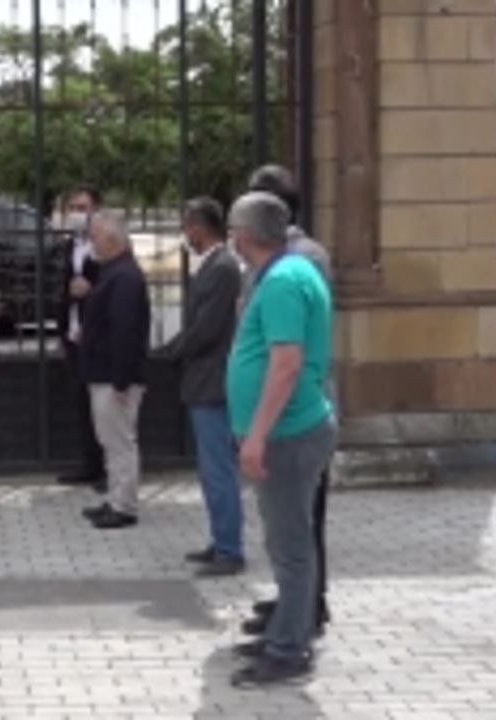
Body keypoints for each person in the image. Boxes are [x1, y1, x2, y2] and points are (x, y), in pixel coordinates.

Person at [224, 192, 336, 687]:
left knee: (291, 547)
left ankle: (289, 650)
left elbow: (285, 364)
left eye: (233, 228)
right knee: (288, 541)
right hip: (288, 431)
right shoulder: (286, 272)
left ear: (246, 235)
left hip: (288, 435)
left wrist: (256, 436)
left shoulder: (283, 282)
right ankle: (287, 631)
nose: (231, 237)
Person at [159, 198, 246, 576]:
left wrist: (172, 351)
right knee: (211, 468)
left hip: (212, 379)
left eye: (186, 227)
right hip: (205, 378)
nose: (185, 235)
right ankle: (221, 539)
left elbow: (207, 328)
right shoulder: (214, 265)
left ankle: (229, 549)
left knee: (217, 468)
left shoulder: (222, 268)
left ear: (198, 227)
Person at [79, 211, 151, 530]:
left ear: (111, 239)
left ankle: (125, 506)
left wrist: (121, 378)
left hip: (115, 377)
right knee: (110, 440)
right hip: (104, 373)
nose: (91, 243)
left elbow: (125, 331)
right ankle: (114, 498)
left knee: (120, 442)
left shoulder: (124, 278)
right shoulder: (113, 272)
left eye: (95, 237)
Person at [56, 186, 107, 491]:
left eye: (83, 207)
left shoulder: (106, 245)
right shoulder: (68, 246)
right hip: (74, 334)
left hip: (98, 334)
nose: (77, 214)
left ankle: (106, 468)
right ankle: (89, 464)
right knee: (82, 401)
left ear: (96, 210)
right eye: (73, 208)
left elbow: (117, 284)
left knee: (104, 403)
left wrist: (91, 291)